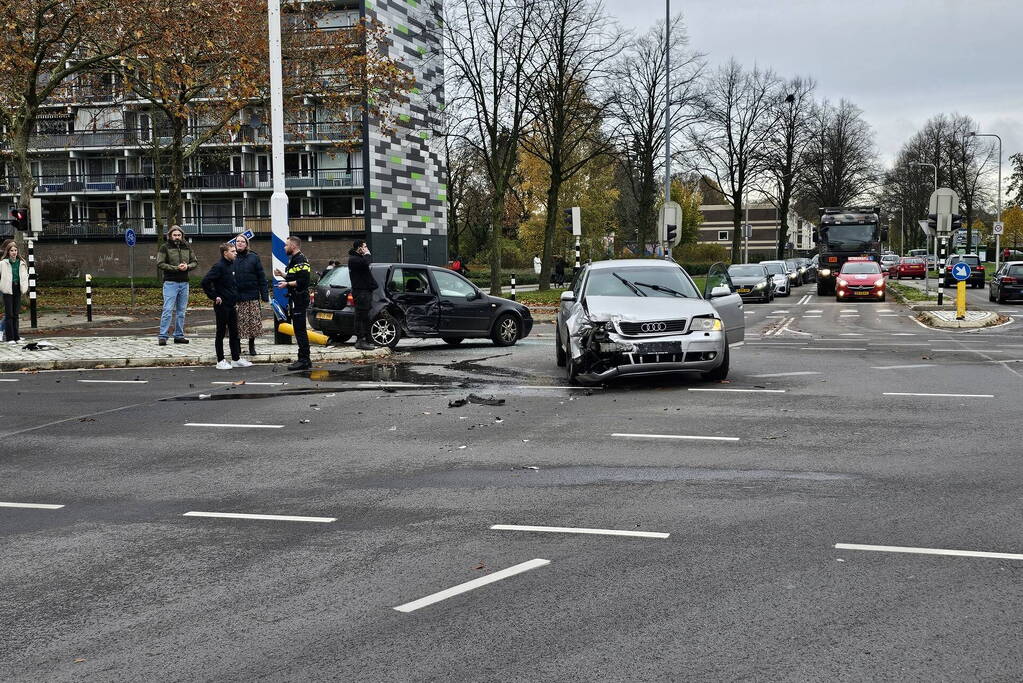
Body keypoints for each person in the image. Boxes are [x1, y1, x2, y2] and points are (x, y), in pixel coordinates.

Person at [201, 243, 251, 370]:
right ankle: (220, 360)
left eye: (235, 251)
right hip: (222, 305)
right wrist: (214, 296)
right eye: (232, 251)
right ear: (225, 253)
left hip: (232, 304)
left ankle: (235, 359)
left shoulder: (232, 265)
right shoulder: (219, 266)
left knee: (234, 332)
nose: (235, 253)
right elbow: (205, 282)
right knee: (221, 332)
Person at [274, 236, 312, 371]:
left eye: (286, 245)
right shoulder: (295, 260)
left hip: (299, 299)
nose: (284, 247)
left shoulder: (301, 260)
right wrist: (283, 275)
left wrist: (286, 284)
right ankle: (304, 358)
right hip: (296, 298)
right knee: (298, 329)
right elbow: (294, 277)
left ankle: (304, 360)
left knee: (300, 330)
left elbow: (303, 281)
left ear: (293, 246)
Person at [156, 225, 197, 346]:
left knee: (181, 312)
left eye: (179, 235)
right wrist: (176, 268)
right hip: (170, 282)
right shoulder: (164, 247)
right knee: (168, 310)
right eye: (174, 235)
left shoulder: (187, 246)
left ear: (182, 236)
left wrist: (187, 266)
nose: (177, 237)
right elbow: (160, 263)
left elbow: (195, 262)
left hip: (184, 283)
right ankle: (163, 336)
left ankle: (179, 335)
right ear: (170, 236)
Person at [231, 234, 268, 356]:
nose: (240, 243)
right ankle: (237, 347)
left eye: (242, 241)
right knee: (237, 323)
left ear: (246, 244)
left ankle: (252, 346)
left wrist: (264, 294)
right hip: (236, 297)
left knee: (253, 323)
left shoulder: (254, 257)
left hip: (252, 296)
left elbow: (261, 277)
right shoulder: (231, 257)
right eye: (238, 241)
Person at [348, 240, 377, 350]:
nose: (366, 248)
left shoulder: (358, 259)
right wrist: (367, 254)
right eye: (364, 246)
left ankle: (366, 339)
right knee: (360, 316)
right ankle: (360, 340)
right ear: (359, 248)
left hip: (364, 291)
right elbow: (366, 262)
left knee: (365, 316)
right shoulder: (354, 259)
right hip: (361, 292)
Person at [0, 241, 29, 344]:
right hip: (8, 289)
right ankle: (10, 338)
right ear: (8, 252)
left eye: (15, 250)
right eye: (11, 250)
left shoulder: (22, 262)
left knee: (16, 314)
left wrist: (24, 286)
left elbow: (24, 276)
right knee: (9, 314)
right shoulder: (3, 263)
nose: (14, 252)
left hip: (17, 288)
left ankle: (17, 337)